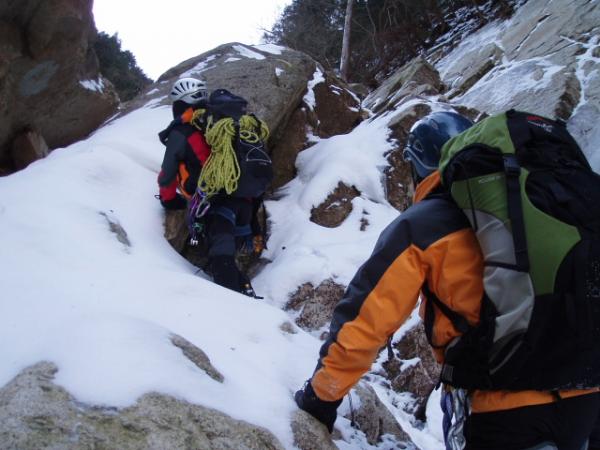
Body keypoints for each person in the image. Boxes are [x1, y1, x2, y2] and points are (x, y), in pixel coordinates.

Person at [294, 111, 600, 449]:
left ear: (418, 166)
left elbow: (366, 320)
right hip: (585, 394)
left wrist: (322, 397)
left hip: (505, 408)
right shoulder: (536, 203)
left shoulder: (424, 225)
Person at [157, 77, 211, 210]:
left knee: (176, 163)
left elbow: (167, 174)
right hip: (230, 181)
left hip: (204, 189)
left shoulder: (180, 132)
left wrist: (168, 200)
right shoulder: (213, 119)